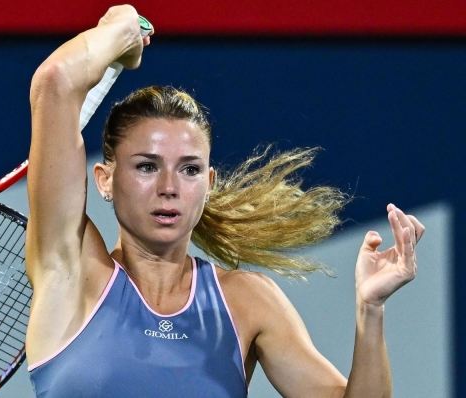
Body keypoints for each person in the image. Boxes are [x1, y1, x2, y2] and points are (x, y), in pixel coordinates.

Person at [24, 5, 424, 397]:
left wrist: (370, 309)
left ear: (209, 182)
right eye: (146, 167)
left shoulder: (247, 300)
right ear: (105, 179)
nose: (169, 187)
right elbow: (55, 82)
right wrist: (121, 26)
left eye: (190, 169)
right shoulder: (69, 271)